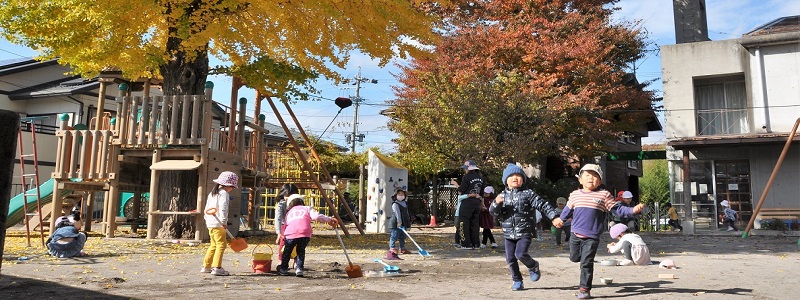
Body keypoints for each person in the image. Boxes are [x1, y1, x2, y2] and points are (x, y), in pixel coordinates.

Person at [560, 164, 644, 299]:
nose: (590, 178)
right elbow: (567, 211)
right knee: (574, 258)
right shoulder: (575, 195)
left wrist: (632, 210)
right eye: (587, 175)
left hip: (592, 236)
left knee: (586, 263)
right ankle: (579, 260)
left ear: (600, 181)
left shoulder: (604, 195)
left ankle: (584, 289)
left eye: (595, 176)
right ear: (580, 180)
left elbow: (619, 210)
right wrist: (560, 220)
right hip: (575, 233)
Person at [490, 164, 564, 291]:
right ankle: (517, 280)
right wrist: (496, 203)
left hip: (525, 231)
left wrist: (554, 217)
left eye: (518, 176)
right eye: (511, 176)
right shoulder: (502, 196)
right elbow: (493, 213)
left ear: (523, 179)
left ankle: (533, 265)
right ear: (505, 181)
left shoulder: (528, 193)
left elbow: (543, 205)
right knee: (510, 259)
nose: (515, 178)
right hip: (508, 233)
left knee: (520, 254)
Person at [277, 194, 338, 277]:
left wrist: (283, 236)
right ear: (301, 201)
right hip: (304, 233)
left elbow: (284, 225)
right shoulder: (306, 208)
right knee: (300, 251)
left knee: (287, 252)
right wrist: (329, 219)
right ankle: (299, 268)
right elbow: (316, 216)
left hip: (290, 233)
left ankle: (283, 269)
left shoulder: (289, 212)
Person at [201, 171, 239, 276]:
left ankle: (206, 266)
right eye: (232, 187)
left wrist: (206, 219)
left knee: (213, 244)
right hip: (218, 224)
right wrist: (223, 221)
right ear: (228, 185)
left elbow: (206, 208)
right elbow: (223, 209)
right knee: (221, 245)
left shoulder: (212, 193)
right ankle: (217, 267)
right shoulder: (224, 194)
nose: (232, 189)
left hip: (210, 222)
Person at [456, 160, 486, 249]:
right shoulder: (480, 178)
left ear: (468, 169)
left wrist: (457, 186)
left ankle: (466, 244)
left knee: (463, 222)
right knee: (475, 223)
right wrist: (481, 203)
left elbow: (461, 190)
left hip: (467, 201)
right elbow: (482, 193)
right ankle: (476, 243)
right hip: (477, 202)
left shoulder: (466, 177)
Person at [275, 183, 299, 260]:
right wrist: (278, 232)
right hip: (284, 226)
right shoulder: (281, 204)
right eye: (287, 196)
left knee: (297, 243)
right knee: (283, 243)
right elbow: (278, 218)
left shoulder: (298, 203)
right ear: (283, 195)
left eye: (291, 195)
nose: (289, 198)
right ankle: (281, 260)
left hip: (295, 226)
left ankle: (296, 261)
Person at [388, 189, 411, 259]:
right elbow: (397, 214)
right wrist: (399, 222)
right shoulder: (395, 204)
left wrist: (408, 224)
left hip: (403, 223)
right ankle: (392, 248)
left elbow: (406, 213)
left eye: (402, 194)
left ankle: (402, 248)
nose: (401, 196)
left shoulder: (405, 203)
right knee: (394, 236)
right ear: (396, 196)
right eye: (399, 194)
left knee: (402, 236)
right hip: (395, 223)